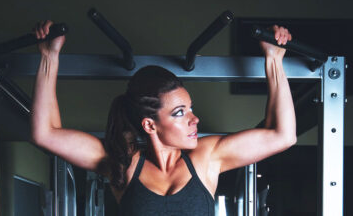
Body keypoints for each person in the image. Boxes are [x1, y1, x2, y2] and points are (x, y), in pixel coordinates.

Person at [31, 20, 296, 216]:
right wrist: (48, 56)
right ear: (149, 125)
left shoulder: (208, 157)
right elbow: (45, 133)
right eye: (180, 113)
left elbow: (283, 135)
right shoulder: (123, 162)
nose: (195, 119)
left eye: (190, 108)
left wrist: (274, 60)